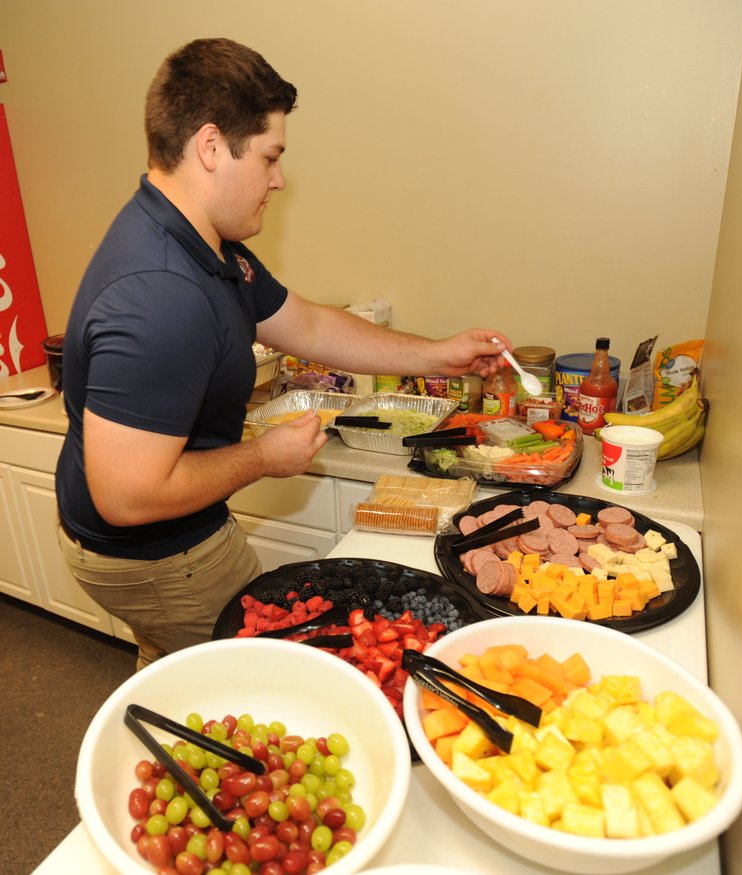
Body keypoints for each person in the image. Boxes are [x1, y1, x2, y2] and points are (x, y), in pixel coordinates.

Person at [55, 37, 512, 670]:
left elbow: (312, 326)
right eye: (271, 156)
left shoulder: (210, 247)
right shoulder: (161, 294)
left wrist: (440, 355)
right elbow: (126, 495)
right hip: (157, 556)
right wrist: (265, 457)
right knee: (253, 683)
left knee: (173, 668)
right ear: (210, 147)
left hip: (167, 540)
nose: (278, 178)